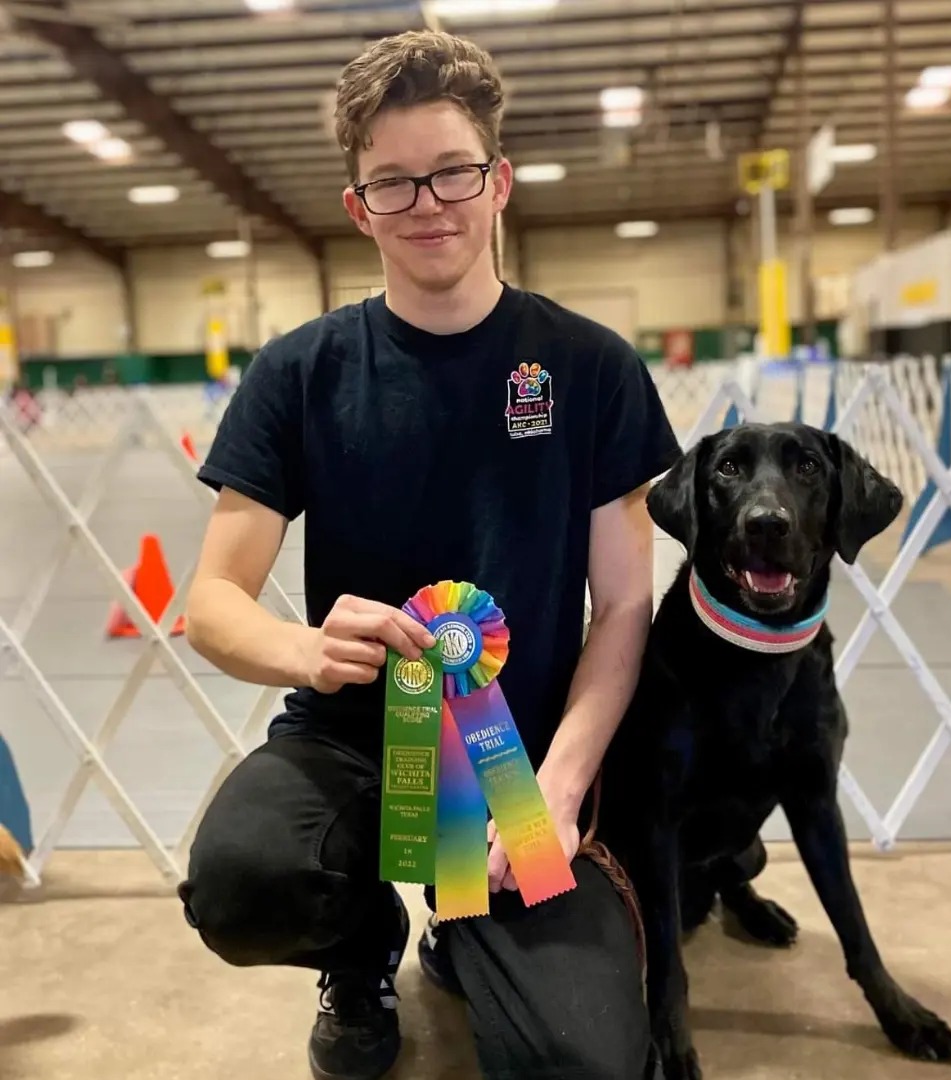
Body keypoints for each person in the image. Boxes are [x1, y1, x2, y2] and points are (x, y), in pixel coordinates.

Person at [176, 28, 681, 1080]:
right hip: (351, 735)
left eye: (452, 172)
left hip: (518, 760)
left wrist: (565, 779)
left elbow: (625, 605)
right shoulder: (298, 374)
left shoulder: (589, 367)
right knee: (239, 887)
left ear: (497, 182)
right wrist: (307, 651)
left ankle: (469, 931)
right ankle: (362, 953)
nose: (429, 203)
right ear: (360, 208)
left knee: (583, 1063)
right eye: (394, 183)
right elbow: (211, 602)